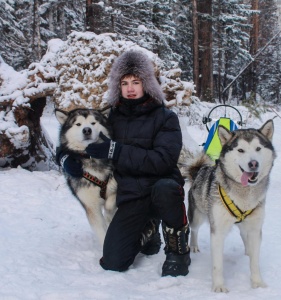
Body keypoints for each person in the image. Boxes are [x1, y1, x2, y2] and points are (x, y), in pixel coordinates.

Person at [58, 50, 190, 277]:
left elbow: (164, 160)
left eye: (136, 82)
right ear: (117, 86)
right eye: (125, 83)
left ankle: (178, 250)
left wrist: (114, 149)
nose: (130, 88)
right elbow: (75, 139)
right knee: (112, 262)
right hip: (130, 194)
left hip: (160, 185)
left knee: (166, 188)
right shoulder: (112, 117)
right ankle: (148, 230)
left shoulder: (165, 117)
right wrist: (63, 158)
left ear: (147, 84)